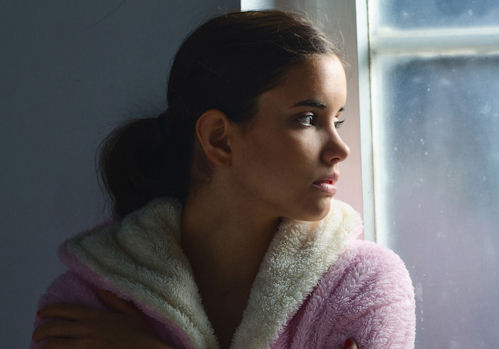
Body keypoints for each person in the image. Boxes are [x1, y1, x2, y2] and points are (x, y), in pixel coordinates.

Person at [30, 10, 415, 349]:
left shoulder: (365, 288)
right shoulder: (86, 303)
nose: (339, 149)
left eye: (338, 120)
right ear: (219, 138)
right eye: (308, 119)